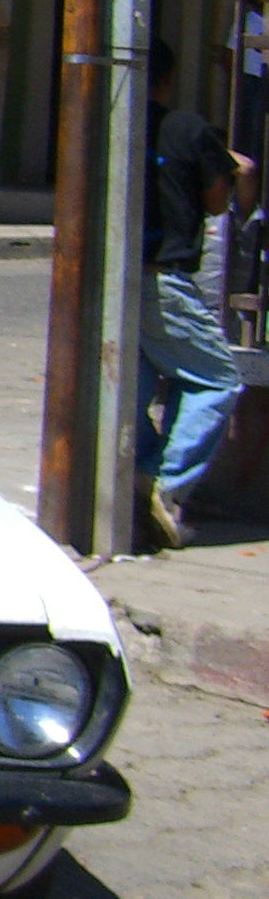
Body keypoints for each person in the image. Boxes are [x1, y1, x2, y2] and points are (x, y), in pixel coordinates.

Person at [137, 39, 256, 548]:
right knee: (216, 379)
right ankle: (165, 481)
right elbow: (217, 201)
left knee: (137, 388)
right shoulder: (188, 129)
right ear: (166, 79)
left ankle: (140, 471)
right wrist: (236, 175)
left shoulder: (109, 124)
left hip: (115, 277)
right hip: (164, 277)